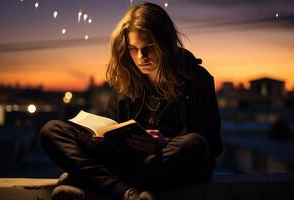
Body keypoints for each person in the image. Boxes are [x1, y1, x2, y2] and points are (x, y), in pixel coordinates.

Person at [40, 2, 222, 200]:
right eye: (133, 49)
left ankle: (91, 180)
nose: (140, 56)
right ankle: (128, 193)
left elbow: (212, 146)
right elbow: (112, 138)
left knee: (193, 143)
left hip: (166, 165)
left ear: (165, 43)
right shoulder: (127, 81)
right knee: (52, 130)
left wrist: (163, 143)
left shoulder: (197, 78)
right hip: (128, 164)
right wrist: (95, 143)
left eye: (148, 48)